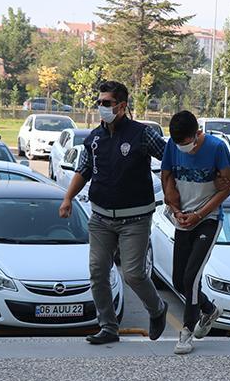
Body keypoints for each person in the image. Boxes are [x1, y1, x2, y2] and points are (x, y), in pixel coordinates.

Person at [59, 80, 168, 345]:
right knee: (97, 271)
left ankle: (157, 309)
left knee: (133, 274)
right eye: (99, 102)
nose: (101, 107)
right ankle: (108, 327)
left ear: (122, 106)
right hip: (101, 218)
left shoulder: (142, 134)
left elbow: (170, 159)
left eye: (106, 103)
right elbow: (83, 171)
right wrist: (67, 198)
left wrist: (174, 194)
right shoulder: (94, 138)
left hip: (136, 218)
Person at [161, 111, 230, 354]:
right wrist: (174, 208)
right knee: (178, 281)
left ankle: (186, 331)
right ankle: (209, 309)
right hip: (183, 218)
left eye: (186, 143)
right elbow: (166, 176)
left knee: (192, 277)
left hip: (208, 220)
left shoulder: (217, 148)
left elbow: (227, 189)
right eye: (178, 143)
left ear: (197, 133)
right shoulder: (172, 145)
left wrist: (199, 214)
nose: (182, 148)